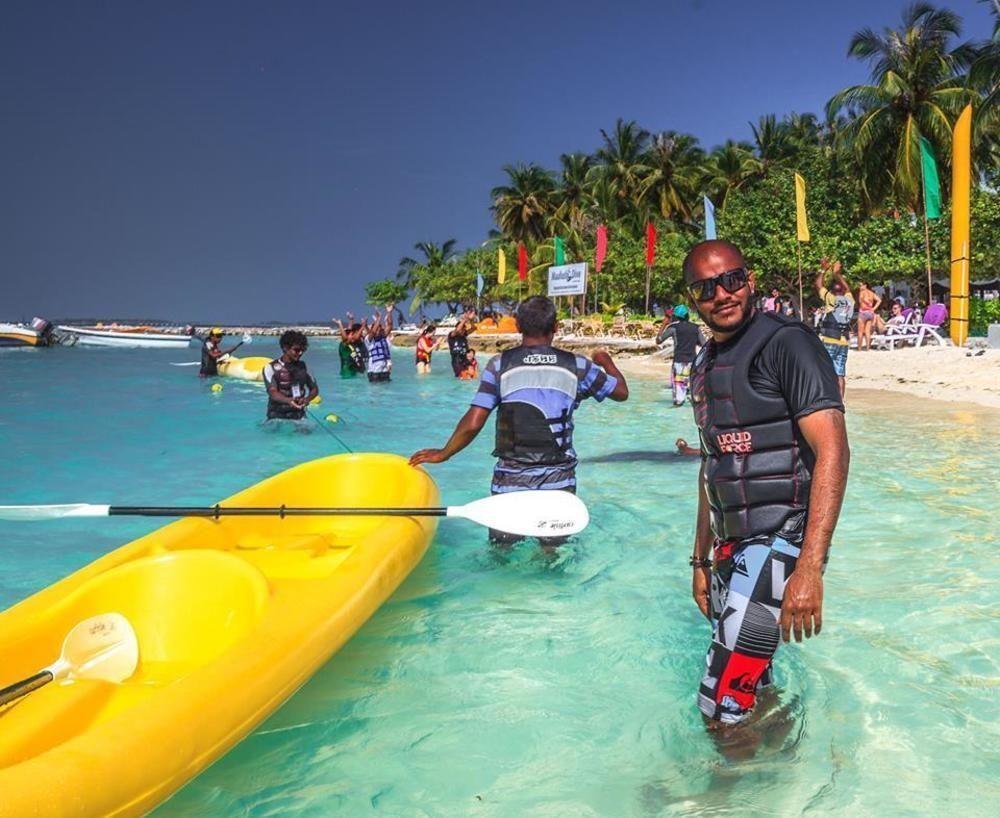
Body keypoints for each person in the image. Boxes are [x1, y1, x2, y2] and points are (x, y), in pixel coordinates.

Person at [683, 239, 849, 730]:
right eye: (706, 287)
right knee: (757, 689)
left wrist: (810, 568)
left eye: (732, 280)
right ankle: (780, 789)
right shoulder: (703, 365)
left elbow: (833, 451)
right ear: (693, 298)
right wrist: (699, 560)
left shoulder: (788, 342)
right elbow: (711, 467)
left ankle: (717, 803)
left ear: (750, 280)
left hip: (779, 541)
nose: (722, 294)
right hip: (731, 549)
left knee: (720, 707)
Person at [409, 296, 629, 545]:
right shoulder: (577, 366)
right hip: (559, 479)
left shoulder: (499, 365)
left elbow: (474, 421)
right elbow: (621, 393)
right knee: (552, 555)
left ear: (517, 326)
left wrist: (444, 453)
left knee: (502, 552)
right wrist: (605, 361)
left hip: (510, 479)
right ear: (555, 327)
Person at [815, 259, 855, 398]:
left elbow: (818, 284)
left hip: (830, 340)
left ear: (832, 291)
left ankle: (827, 397)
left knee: (825, 370)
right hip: (843, 342)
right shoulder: (849, 300)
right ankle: (841, 402)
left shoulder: (831, 299)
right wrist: (837, 274)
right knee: (840, 374)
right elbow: (847, 288)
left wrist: (823, 269)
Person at [263, 330, 319, 421]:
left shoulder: (305, 367)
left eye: (303, 350)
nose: (300, 353)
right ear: (285, 348)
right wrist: (288, 400)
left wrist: (307, 399)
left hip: (299, 417)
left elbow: (314, 389)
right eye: (296, 350)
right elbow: (272, 392)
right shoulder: (270, 368)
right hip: (276, 417)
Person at [655, 304, 703, 406]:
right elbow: (703, 344)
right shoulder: (696, 328)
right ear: (688, 315)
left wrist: (663, 324)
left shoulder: (673, 328)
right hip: (692, 363)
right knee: (695, 394)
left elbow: (658, 341)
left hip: (679, 363)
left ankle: (678, 404)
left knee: (678, 399)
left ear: (676, 317)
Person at [363, 305, 394, 382]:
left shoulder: (382, 337)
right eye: (377, 329)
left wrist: (389, 312)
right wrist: (379, 318)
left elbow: (390, 326)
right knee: (376, 393)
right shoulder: (368, 340)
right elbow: (373, 332)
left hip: (384, 371)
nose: (378, 331)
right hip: (374, 373)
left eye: (379, 330)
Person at [448, 309, 477, 377]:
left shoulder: (464, 335)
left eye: (464, 329)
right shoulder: (452, 336)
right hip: (457, 360)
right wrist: (465, 319)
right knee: (462, 376)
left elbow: (473, 328)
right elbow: (457, 330)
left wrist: (470, 320)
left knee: (472, 373)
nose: (463, 330)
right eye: (462, 329)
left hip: (465, 358)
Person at [856, 281, 882, 352]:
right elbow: (879, 300)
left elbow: (860, 301)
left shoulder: (862, 292)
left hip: (863, 312)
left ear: (865, 286)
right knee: (867, 332)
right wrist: (873, 308)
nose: (859, 287)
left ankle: (859, 349)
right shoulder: (871, 293)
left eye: (861, 285)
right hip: (870, 313)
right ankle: (868, 348)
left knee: (860, 332)